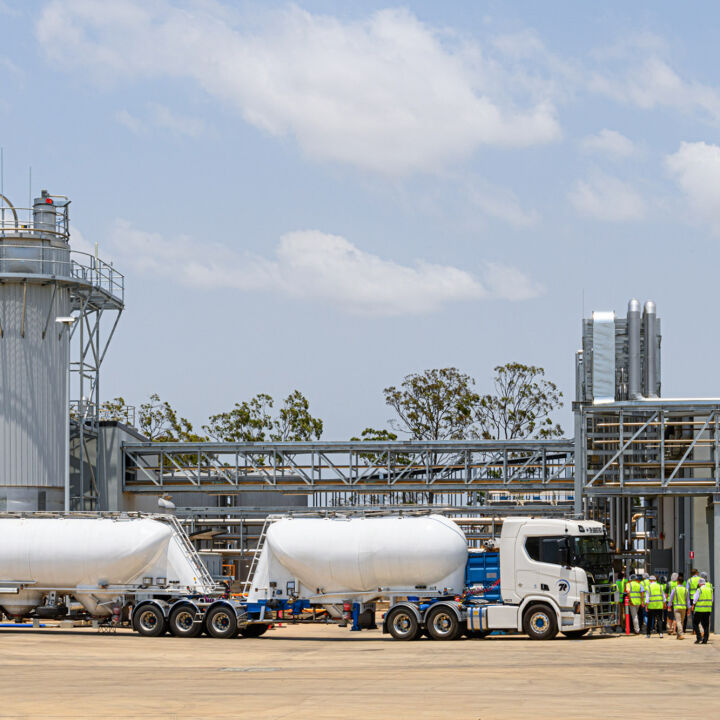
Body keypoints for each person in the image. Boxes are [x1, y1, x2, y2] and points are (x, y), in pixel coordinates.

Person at [691, 577, 713, 645]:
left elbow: (695, 599)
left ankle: (699, 637)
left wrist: (693, 605)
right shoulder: (710, 590)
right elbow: (712, 600)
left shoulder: (699, 590)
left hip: (699, 610)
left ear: (700, 583)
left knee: (695, 623)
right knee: (706, 625)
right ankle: (705, 640)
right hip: (707, 610)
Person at [668, 574, 687, 640]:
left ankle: (680, 634)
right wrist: (689, 609)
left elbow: (671, 598)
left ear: (678, 582)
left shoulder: (675, 589)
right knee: (681, 621)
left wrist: (669, 606)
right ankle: (679, 635)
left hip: (676, 607)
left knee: (678, 621)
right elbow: (688, 600)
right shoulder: (685, 589)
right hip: (684, 607)